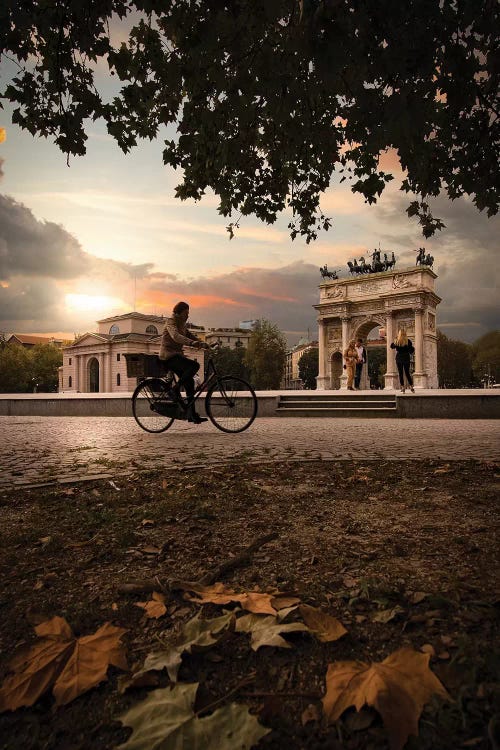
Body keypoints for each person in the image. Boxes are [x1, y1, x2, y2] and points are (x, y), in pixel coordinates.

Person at [159, 301, 210, 423]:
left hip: (176, 356)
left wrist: (204, 344)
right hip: (168, 357)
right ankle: (175, 388)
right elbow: (175, 336)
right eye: (186, 313)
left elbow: (191, 336)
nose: (188, 315)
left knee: (189, 383)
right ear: (179, 313)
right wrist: (192, 343)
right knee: (195, 365)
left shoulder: (182, 324)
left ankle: (192, 415)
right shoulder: (171, 322)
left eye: (188, 313)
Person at [390, 329, 415, 393]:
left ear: (399, 334)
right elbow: (411, 350)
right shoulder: (408, 341)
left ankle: (402, 387)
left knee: (400, 373)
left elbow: (391, 346)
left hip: (399, 358)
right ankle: (411, 386)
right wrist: (412, 348)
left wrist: (395, 340)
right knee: (407, 373)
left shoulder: (397, 341)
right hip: (406, 357)